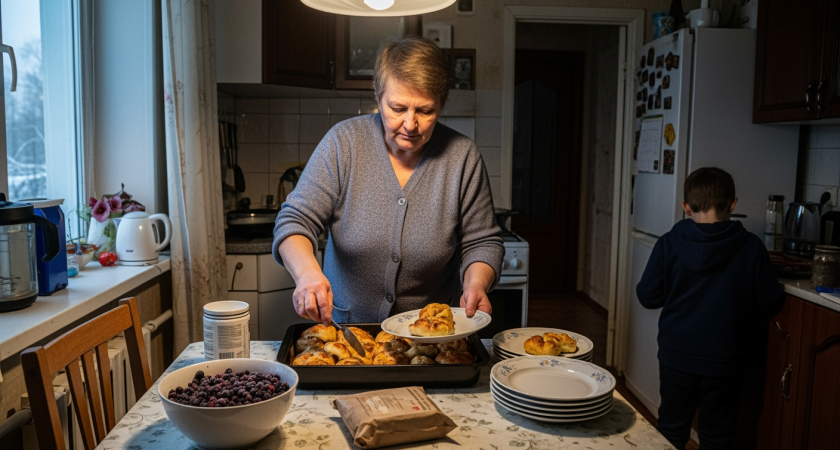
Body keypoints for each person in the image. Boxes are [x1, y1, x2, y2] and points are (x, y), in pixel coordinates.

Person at [273, 36, 503, 326]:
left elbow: (483, 241)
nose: (410, 124)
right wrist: (307, 274)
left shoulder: (462, 156)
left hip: (430, 338)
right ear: (378, 97)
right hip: (348, 333)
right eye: (397, 108)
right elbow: (295, 220)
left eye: (425, 111)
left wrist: (476, 283)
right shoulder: (343, 143)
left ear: (441, 106)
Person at [636, 167, 784, 450]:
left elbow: (647, 296)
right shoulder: (751, 247)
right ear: (732, 205)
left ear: (686, 207)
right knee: (718, 435)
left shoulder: (669, 243)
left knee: (670, 428)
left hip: (676, 356)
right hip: (725, 361)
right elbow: (770, 301)